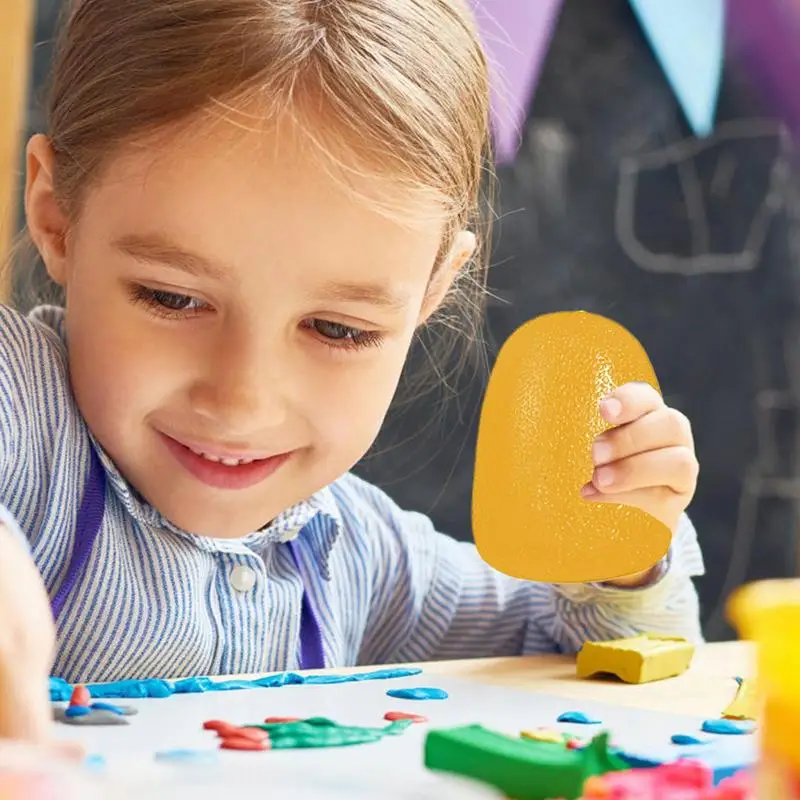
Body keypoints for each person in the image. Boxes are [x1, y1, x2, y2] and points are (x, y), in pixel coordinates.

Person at [0, 0, 703, 748]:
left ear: (432, 289)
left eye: (338, 329)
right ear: (55, 217)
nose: (241, 400)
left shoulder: (360, 554)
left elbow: (585, 655)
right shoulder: (24, 411)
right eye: (172, 298)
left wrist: (620, 551)